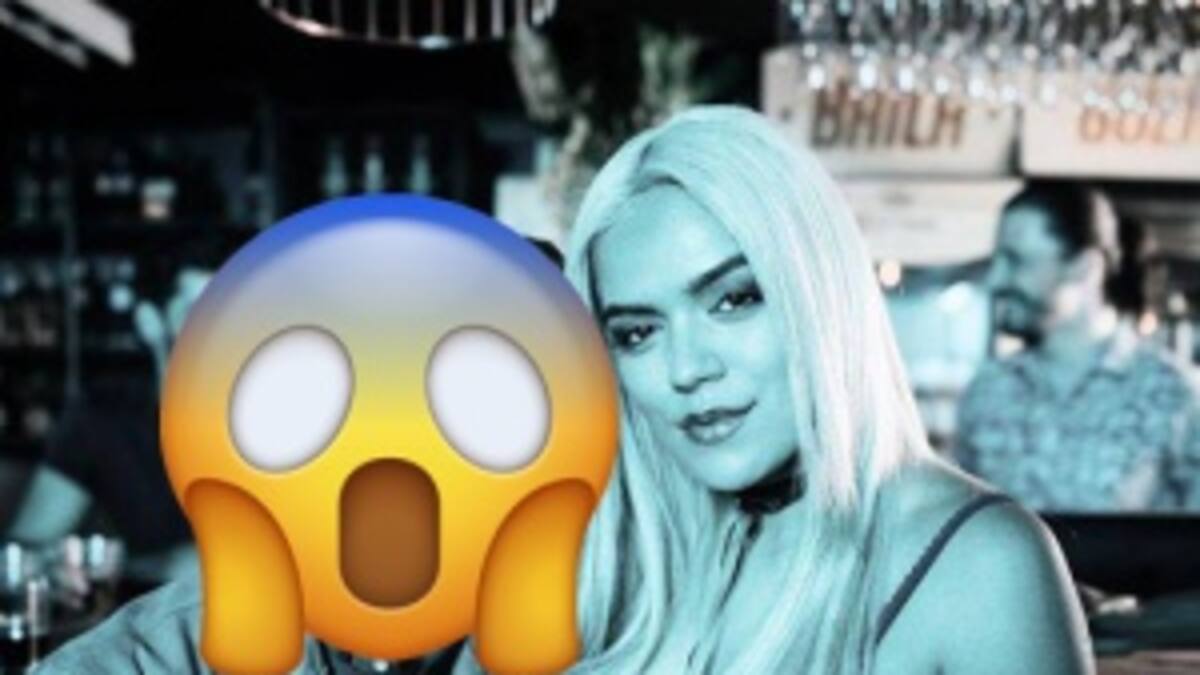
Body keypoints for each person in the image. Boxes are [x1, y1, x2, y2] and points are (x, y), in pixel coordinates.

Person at [452, 106, 1093, 673]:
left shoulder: (981, 565)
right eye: (638, 333)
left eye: (734, 299)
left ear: (821, 293)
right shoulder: (598, 554)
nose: (686, 368)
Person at [955, 180, 1200, 512]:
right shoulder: (986, 392)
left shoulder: (1175, 394)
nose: (995, 279)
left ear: (1085, 267)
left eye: (1016, 260)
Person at [5, 233, 237, 583]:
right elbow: (23, 553)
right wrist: (71, 568)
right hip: (154, 614)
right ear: (150, 322)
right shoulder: (103, 417)